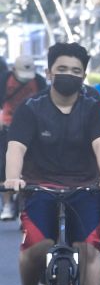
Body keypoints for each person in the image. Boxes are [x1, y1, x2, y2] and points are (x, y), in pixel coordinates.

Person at [5, 42, 100, 285]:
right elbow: (16, 147)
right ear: (49, 72)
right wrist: (12, 179)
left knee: (90, 250)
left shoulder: (93, 107)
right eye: (63, 70)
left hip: (85, 188)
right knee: (35, 248)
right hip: (40, 187)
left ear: (84, 76)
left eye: (76, 71)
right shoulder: (31, 108)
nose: (69, 75)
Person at [0, 55, 49, 221]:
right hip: (7, 126)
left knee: (34, 166)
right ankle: (7, 203)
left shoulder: (39, 82)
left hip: (33, 129)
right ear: (13, 70)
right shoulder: (4, 80)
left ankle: (28, 203)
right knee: (5, 165)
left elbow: (46, 104)